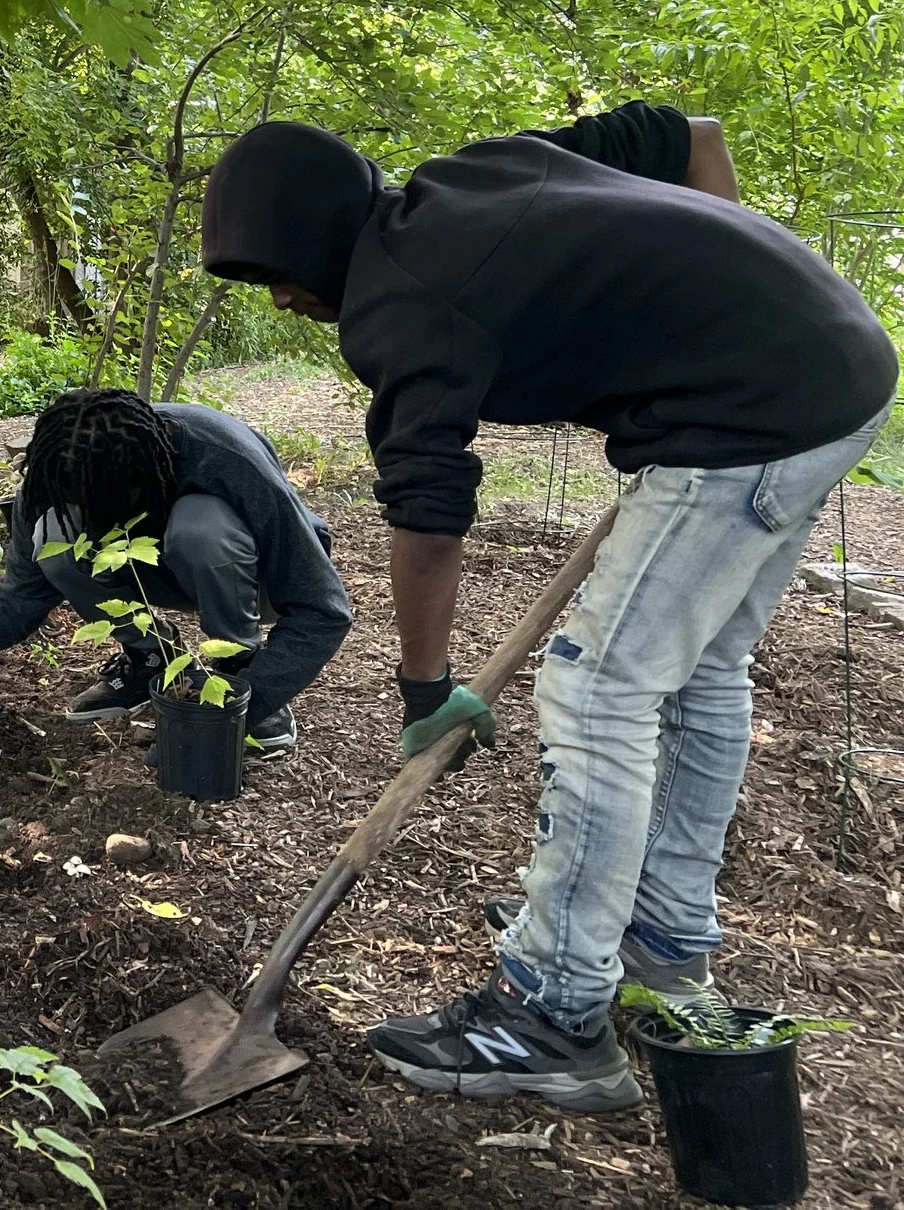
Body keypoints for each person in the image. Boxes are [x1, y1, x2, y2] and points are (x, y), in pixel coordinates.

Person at [199, 101, 895, 1111]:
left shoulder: (398, 305)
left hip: (750, 413)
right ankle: (656, 940)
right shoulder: (473, 173)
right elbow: (691, 134)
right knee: (696, 670)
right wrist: (726, 313)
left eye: (273, 277)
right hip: (833, 367)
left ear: (306, 252)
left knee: (597, 686)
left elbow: (428, 517)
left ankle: (551, 1008)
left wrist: (425, 686)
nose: (280, 302)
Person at [0, 387, 351, 758]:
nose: (93, 518)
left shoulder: (224, 459)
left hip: (256, 578)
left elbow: (323, 609)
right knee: (55, 540)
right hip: (163, 569)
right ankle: (150, 658)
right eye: (81, 501)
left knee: (201, 528)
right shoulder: (60, 467)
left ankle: (237, 669)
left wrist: (232, 714)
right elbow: (24, 588)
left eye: (104, 503)